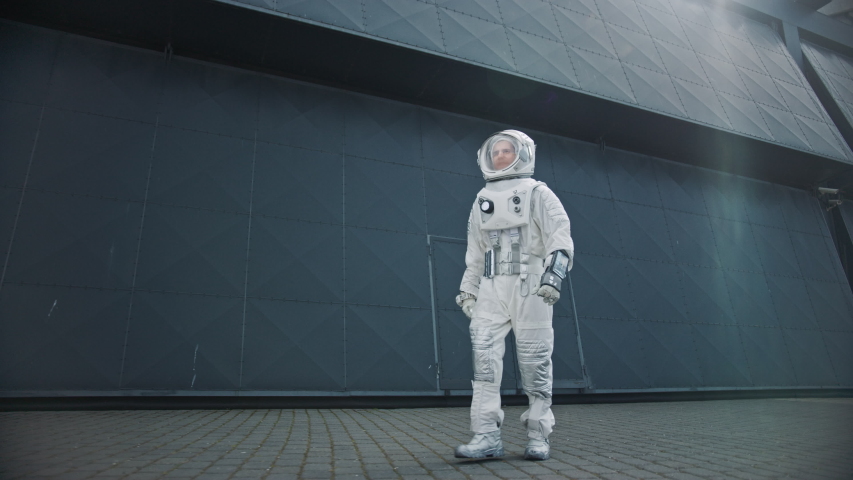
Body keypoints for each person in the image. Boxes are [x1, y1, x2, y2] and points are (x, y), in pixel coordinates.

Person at [454, 130, 574, 461]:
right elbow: (475, 251)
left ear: (522, 154)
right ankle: (486, 435)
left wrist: (553, 277)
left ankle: (538, 434)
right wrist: (469, 289)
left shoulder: (538, 193)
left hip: (530, 284)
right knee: (484, 359)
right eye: (495, 152)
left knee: (535, 359)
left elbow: (560, 236)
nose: (500, 156)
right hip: (491, 285)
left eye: (507, 150)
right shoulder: (481, 199)